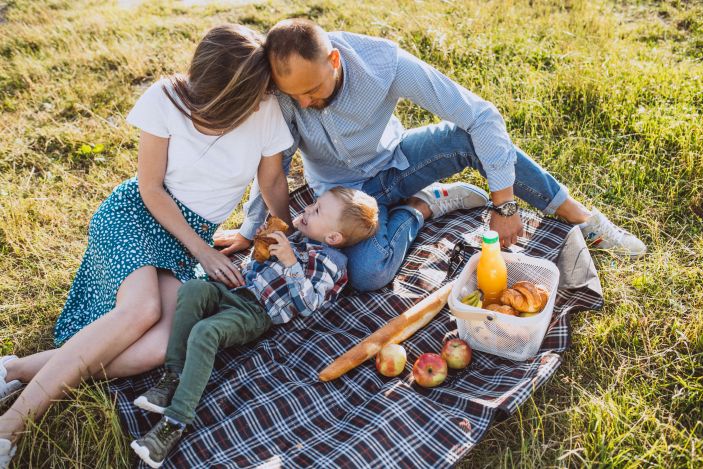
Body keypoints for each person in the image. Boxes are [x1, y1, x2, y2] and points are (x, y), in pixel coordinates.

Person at [0, 24, 295, 468]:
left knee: (158, 348)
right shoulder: (166, 99)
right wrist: (202, 250)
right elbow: (151, 189)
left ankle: (14, 369)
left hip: (190, 237)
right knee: (140, 311)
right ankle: (11, 428)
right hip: (140, 215)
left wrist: (286, 229)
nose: (254, 104)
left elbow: (271, 179)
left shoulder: (265, 107)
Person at [217, 19, 646, 292]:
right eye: (296, 95)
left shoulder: (383, 64)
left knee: (469, 137)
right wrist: (253, 227)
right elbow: (272, 168)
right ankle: (427, 204)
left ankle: (583, 219)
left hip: (400, 162)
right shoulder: (286, 96)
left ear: (333, 59)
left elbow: (481, 115)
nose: (305, 102)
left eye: (314, 90)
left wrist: (505, 203)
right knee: (366, 275)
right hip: (341, 196)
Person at [129, 187, 378, 468]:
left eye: (317, 210)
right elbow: (255, 269)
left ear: (333, 237)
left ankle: (175, 422)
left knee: (205, 332)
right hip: (237, 292)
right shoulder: (297, 239)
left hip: (257, 312)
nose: (307, 209)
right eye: (313, 204)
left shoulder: (329, 263)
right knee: (194, 289)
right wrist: (260, 249)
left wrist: (289, 261)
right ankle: (173, 376)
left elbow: (308, 304)